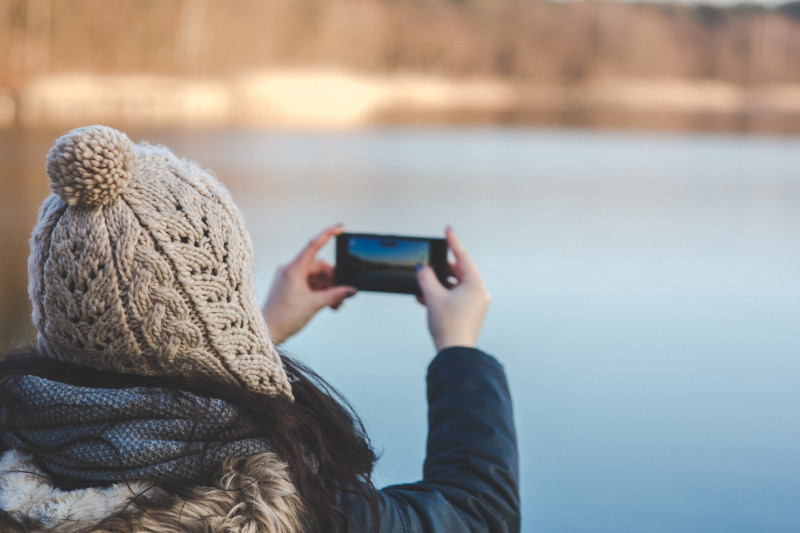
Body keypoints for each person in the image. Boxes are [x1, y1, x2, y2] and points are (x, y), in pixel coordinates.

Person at [0, 125, 519, 532]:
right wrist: (459, 349)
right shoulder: (299, 510)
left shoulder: (15, 465)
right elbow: (476, 514)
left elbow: (138, 391)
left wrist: (263, 330)